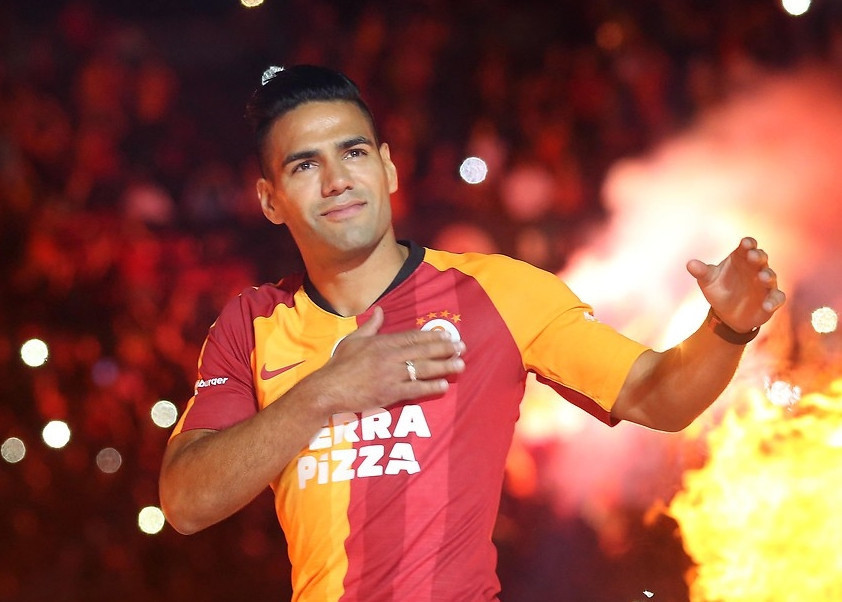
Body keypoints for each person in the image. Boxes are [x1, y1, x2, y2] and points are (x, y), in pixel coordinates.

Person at [158, 64, 785, 601]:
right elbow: (185, 503)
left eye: (353, 153)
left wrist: (727, 328)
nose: (336, 180)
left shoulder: (499, 292)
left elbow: (658, 395)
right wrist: (326, 392)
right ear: (269, 200)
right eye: (304, 165)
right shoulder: (252, 323)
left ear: (388, 168)